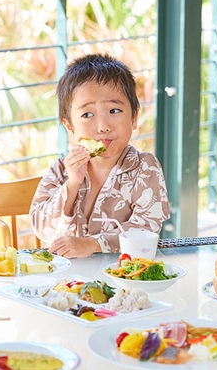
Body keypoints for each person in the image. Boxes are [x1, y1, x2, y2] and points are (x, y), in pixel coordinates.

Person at [29, 53, 170, 258]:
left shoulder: (146, 169)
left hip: (123, 279)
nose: (103, 126)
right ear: (70, 126)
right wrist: (71, 186)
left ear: (134, 117)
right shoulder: (60, 170)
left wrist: (93, 244)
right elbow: (41, 228)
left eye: (114, 110)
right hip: (66, 282)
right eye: (87, 115)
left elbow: (147, 229)